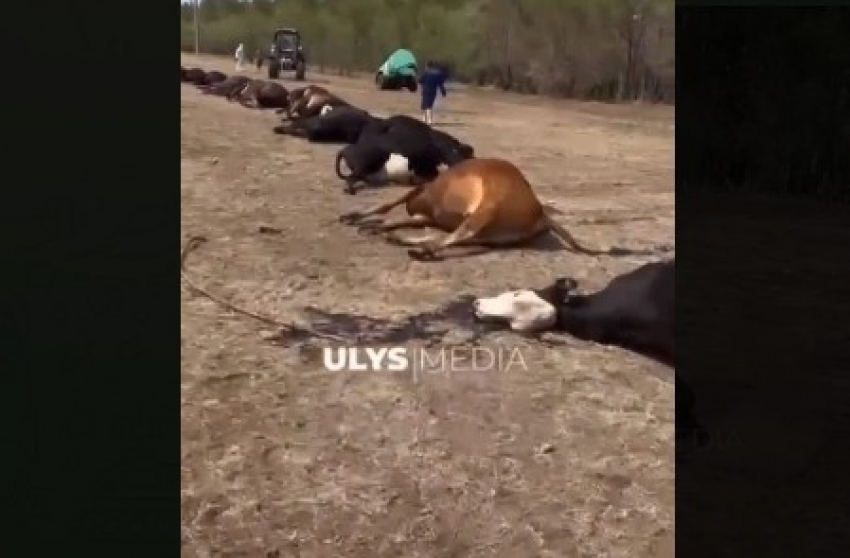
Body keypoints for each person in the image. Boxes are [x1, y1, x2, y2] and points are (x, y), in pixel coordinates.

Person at [418, 61, 447, 126]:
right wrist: (443, 92)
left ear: (427, 66)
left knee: (425, 105)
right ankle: (425, 119)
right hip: (433, 91)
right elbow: (441, 84)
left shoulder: (426, 73)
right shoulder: (438, 74)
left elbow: (420, 81)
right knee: (429, 105)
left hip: (426, 91)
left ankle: (428, 120)